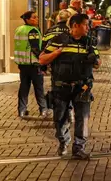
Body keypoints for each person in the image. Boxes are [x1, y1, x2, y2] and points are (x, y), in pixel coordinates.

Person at [39, 13, 101, 159]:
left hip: (83, 87)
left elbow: (98, 64)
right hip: (61, 87)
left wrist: (95, 60)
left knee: (83, 118)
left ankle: (79, 147)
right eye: (86, 25)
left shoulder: (89, 42)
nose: (88, 28)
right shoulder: (59, 40)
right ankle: (63, 140)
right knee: (60, 119)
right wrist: (58, 52)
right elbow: (42, 59)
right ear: (75, 26)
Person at [14, 11, 51, 119]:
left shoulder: (19, 29)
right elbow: (35, 49)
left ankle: (22, 110)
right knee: (38, 88)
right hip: (34, 64)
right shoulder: (33, 31)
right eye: (34, 17)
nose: (37, 19)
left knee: (24, 87)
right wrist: (43, 62)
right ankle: (43, 109)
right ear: (28, 19)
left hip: (22, 64)